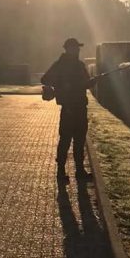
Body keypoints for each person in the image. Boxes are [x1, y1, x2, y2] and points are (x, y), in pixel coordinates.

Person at [41, 38, 97, 183]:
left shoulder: (78, 65)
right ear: (69, 49)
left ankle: (79, 171)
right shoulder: (61, 65)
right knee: (66, 140)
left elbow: (85, 83)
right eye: (76, 48)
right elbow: (45, 79)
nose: (78, 50)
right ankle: (61, 171)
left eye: (78, 48)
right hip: (68, 108)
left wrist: (89, 83)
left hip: (79, 107)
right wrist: (63, 86)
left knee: (79, 141)